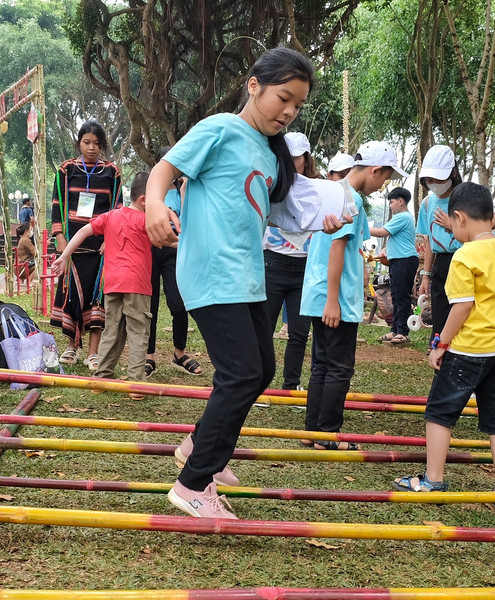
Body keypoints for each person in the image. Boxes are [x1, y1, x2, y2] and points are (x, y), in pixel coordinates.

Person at [146, 47, 325, 518]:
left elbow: (268, 213)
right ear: (254, 85)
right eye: (283, 98)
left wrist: (318, 222)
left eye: (298, 106)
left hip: (246, 274)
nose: (288, 111)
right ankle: (192, 484)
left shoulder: (271, 155)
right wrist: (154, 206)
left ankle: (200, 447)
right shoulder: (220, 129)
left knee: (259, 369)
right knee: (242, 371)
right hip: (209, 269)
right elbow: (165, 169)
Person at [394, 182, 495, 517]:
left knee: (440, 413)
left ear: (459, 218)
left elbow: (461, 307)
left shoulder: (465, 255)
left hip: (469, 350)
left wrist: (441, 344)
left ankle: (433, 479)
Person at [301, 141, 404, 449]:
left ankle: (314, 432)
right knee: (339, 366)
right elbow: (337, 248)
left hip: (319, 291)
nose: (383, 185)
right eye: (384, 178)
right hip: (335, 296)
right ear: (375, 170)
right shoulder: (351, 200)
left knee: (322, 362)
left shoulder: (335, 192)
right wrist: (333, 300)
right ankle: (328, 434)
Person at [53, 171, 153, 393]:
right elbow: (169, 240)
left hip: (113, 284)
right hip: (137, 285)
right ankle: (136, 383)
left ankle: (102, 377)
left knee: (112, 330)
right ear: (144, 199)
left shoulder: (111, 216)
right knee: (138, 332)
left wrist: (64, 256)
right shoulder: (147, 220)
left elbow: (82, 232)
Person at [51, 120, 123, 369]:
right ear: (79, 142)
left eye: (96, 143)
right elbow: (57, 205)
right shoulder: (66, 170)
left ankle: (94, 351)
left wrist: (111, 239)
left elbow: (116, 209)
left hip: (100, 248)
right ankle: (72, 347)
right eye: (86, 142)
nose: (91, 148)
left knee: (97, 298)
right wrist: (60, 236)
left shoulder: (112, 172)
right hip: (72, 246)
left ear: (102, 145)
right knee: (71, 297)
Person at [263, 131, 318, 390]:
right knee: (263, 328)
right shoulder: (270, 182)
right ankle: (259, 383)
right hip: (272, 262)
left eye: (294, 158)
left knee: (298, 333)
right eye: (283, 156)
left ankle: (291, 385)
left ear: (306, 159)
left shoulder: (317, 189)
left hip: (304, 267)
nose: (288, 162)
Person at [146, 147, 201, 377]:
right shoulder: (150, 189)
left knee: (179, 304)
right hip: (149, 249)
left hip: (174, 250)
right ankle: (148, 356)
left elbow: (191, 219)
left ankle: (180, 353)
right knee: (150, 305)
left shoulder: (183, 189)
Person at [416, 145, 463, 341]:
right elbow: (427, 243)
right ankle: (438, 346)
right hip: (441, 263)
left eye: (438, 178)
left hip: (463, 259)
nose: (433, 183)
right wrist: (425, 276)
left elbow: (479, 234)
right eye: (429, 179)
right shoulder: (427, 203)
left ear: (452, 173)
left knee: (461, 306)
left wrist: (452, 225)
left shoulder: (465, 198)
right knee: (440, 306)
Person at [372, 187, 416, 344]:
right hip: (399, 260)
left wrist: (361, 227)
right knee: (396, 296)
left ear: (400, 201)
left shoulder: (402, 217)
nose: (390, 206)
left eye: (391, 202)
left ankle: (402, 331)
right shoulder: (404, 218)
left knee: (402, 297)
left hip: (404, 260)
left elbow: (381, 232)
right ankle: (395, 329)